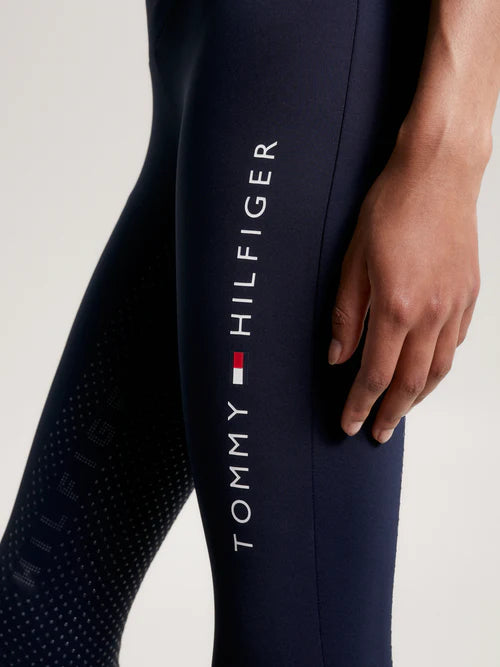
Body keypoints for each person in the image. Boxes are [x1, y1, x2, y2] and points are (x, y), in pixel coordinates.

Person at [0, 0, 498, 665]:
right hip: (212, 41)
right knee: (35, 619)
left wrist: (449, 152)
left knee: (289, 644)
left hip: (306, 50)